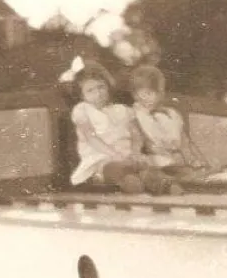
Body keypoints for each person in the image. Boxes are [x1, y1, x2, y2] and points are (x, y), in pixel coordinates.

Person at [69, 63, 181, 195]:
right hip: (102, 159)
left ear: (108, 87)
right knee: (114, 169)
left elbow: (136, 135)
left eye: (101, 87)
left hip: (128, 157)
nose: (98, 93)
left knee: (145, 168)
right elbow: (91, 137)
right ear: (82, 95)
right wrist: (114, 154)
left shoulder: (122, 110)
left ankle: (163, 184)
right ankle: (130, 182)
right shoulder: (83, 110)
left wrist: (135, 152)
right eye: (90, 90)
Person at [129, 65, 207, 178]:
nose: (143, 99)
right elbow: (137, 142)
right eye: (138, 95)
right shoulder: (136, 116)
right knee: (159, 167)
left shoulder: (171, 114)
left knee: (190, 166)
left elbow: (184, 141)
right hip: (152, 159)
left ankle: (189, 171)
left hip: (174, 156)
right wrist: (138, 154)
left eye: (149, 94)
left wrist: (193, 158)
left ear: (160, 93)